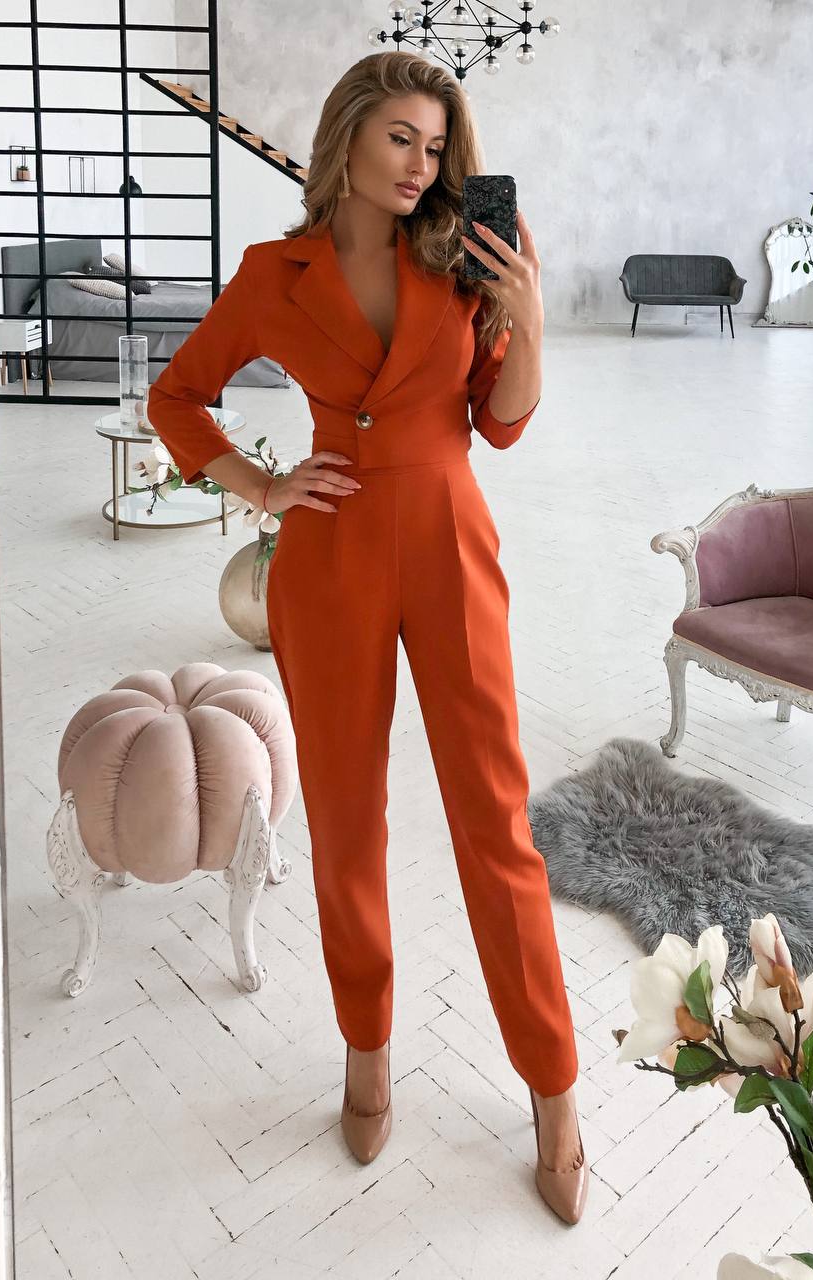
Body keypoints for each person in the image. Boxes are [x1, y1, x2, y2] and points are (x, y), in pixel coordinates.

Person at [147, 50, 588, 1225]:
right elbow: (176, 395)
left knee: (493, 817)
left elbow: (500, 424)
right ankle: (365, 1049)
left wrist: (527, 317)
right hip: (332, 559)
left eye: (436, 146)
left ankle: (552, 1087)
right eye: (400, 138)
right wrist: (261, 484)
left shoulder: (467, 255)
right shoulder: (273, 273)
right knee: (345, 819)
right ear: (344, 137)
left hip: (448, 539)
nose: (421, 165)